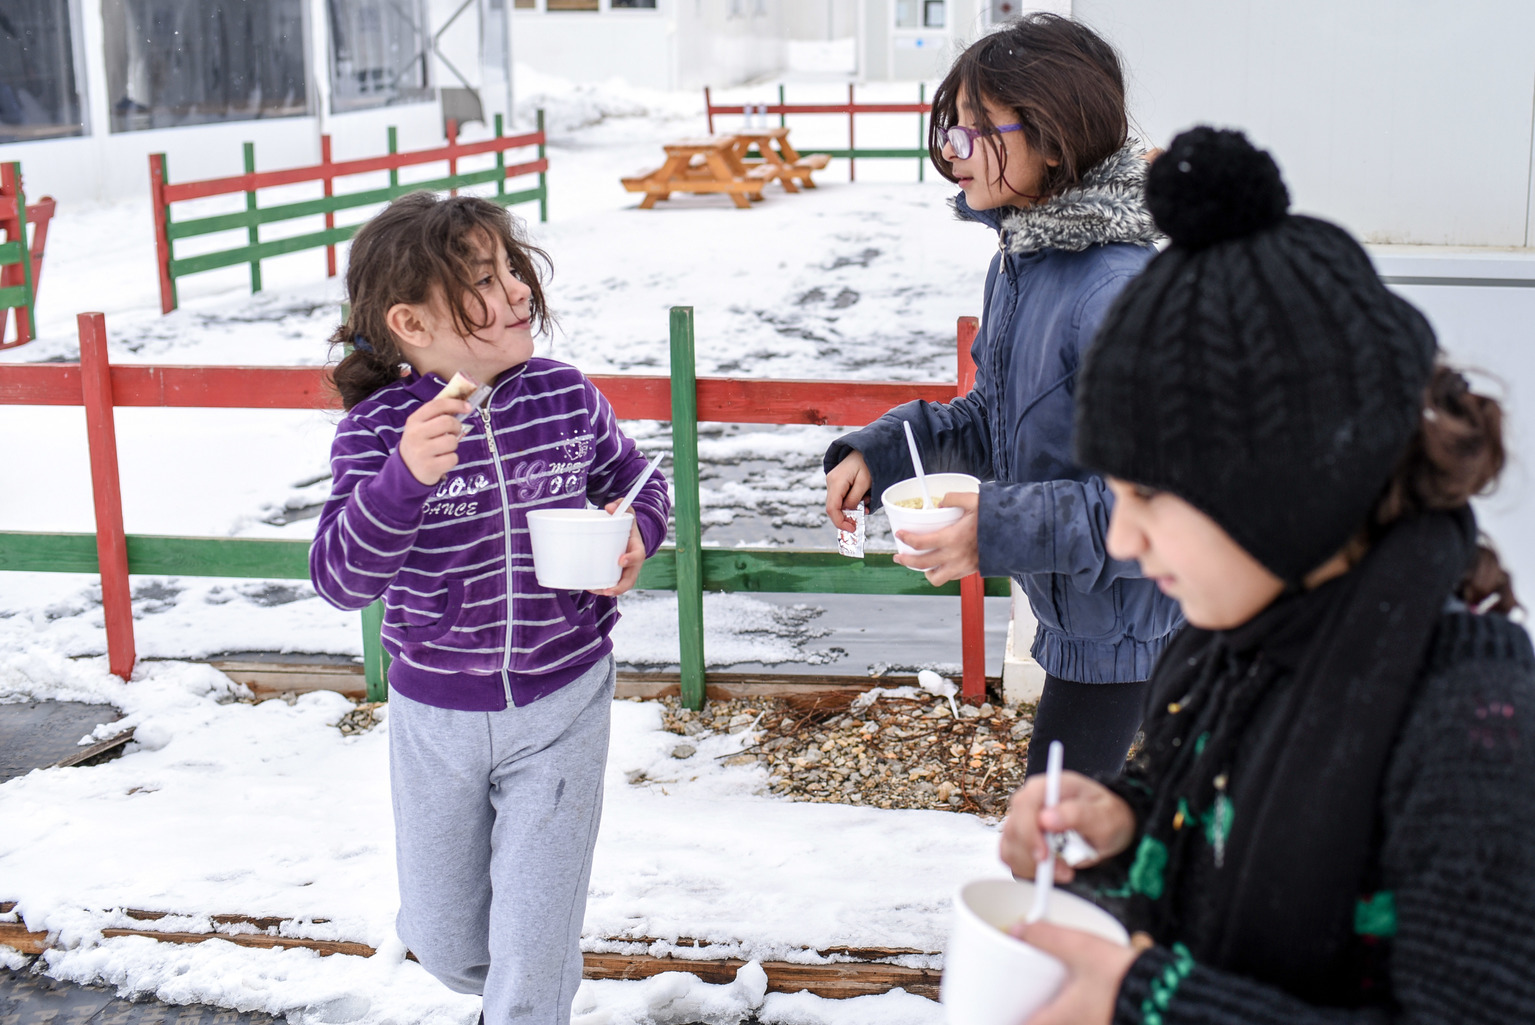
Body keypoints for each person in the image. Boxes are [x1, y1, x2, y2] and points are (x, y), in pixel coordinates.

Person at [999, 127, 1535, 1025]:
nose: (1123, 538)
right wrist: (1126, 828)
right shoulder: (1227, 644)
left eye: (1148, 494)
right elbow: (1212, 826)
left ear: (1284, 487)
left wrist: (1151, 1002)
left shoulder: (1476, 728)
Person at [308, 192, 670, 1025]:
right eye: (482, 278)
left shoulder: (564, 397)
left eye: (511, 268)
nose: (515, 290)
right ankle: (508, 988)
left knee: (533, 946)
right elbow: (340, 580)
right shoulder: (377, 434)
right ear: (409, 321)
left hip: (562, 699)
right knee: (444, 937)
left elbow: (640, 480)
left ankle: (523, 1000)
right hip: (435, 714)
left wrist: (636, 532)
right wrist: (402, 480)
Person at [822, 13, 1182, 778]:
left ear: (1055, 138)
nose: (952, 149)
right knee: (1077, 857)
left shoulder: (1118, 291)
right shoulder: (1024, 257)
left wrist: (997, 527)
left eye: (977, 128)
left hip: (1143, 638)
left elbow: (1164, 504)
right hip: (1090, 621)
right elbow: (994, 418)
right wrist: (883, 452)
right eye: (950, 127)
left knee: (1054, 855)